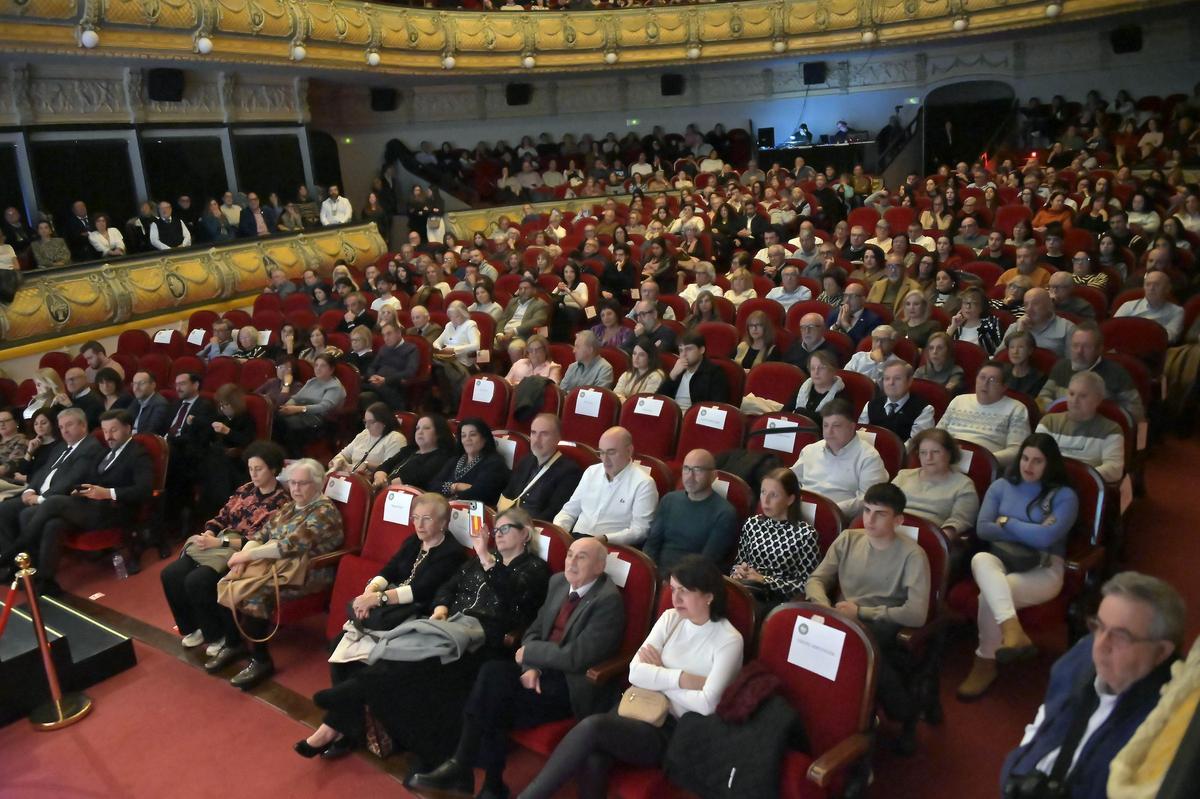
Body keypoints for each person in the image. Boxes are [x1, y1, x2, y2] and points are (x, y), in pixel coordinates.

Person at [301, 503, 549, 765]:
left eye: (506, 528)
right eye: (496, 528)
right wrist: (441, 607)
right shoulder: (480, 560)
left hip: (486, 636)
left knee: (412, 667)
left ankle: (345, 708)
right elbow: (447, 587)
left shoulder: (534, 569)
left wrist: (486, 557)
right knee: (388, 652)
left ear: (525, 534)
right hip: (449, 625)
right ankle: (350, 713)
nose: (497, 533)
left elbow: (511, 598)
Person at [405, 537, 624, 799]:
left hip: (569, 685)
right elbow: (534, 630)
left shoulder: (607, 601)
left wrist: (532, 655)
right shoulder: (558, 583)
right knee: (491, 675)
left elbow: (576, 657)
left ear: (600, 567)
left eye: (581, 557)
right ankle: (483, 780)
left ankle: (475, 775)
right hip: (538, 672)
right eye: (569, 555)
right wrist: (532, 666)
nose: (571, 562)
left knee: (494, 696)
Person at [518, 555, 743, 799]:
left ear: (709, 595)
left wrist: (658, 674)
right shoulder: (670, 618)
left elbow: (708, 704)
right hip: (637, 705)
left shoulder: (728, 640)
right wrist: (681, 679)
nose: (675, 598)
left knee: (593, 727)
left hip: (673, 728)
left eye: (685, 591)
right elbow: (636, 672)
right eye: (674, 589)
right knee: (595, 755)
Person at [999, 572, 1184, 799]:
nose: (1101, 645)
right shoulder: (1082, 654)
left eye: (1120, 636)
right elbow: (1045, 715)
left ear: (1161, 651)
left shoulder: (1167, 722)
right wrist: (1023, 759)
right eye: (1099, 626)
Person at [806, 482, 931, 754]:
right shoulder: (849, 539)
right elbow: (816, 579)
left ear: (898, 520)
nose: (870, 519)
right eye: (867, 510)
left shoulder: (913, 555)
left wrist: (861, 612)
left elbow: (917, 613)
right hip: (840, 614)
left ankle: (878, 716)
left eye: (880, 514)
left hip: (883, 621)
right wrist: (824, 605)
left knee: (853, 648)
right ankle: (823, 711)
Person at [957, 434, 1079, 700]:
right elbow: (983, 529)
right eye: (1025, 458)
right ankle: (1012, 631)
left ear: (1050, 464)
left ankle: (985, 661)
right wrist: (1032, 529)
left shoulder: (1064, 495)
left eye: (1037, 461)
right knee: (980, 559)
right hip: (1002, 559)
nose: (1029, 466)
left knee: (989, 594)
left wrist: (1006, 521)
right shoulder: (1001, 486)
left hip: (1044, 568)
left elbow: (1047, 539)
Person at [204, 459, 343, 689]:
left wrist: (245, 557)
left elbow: (288, 545)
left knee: (255, 594)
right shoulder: (290, 507)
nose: (296, 489)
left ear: (319, 484)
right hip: (276, 566)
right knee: (227, 580)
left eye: (303, 484)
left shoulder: (324, 511)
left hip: (310, 572)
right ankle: (234, 643)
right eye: (293, 483)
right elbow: (262, 535)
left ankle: (261, 660)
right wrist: (242, 560)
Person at [162, 442, 290, 655]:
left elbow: (261, 539)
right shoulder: (245, 489)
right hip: (219, 542)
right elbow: (222, 516)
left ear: (274, 469)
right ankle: (194, 627)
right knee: (171, 574)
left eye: (259, 469)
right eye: (251, 468)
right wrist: (211, 532)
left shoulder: (282, 501)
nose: (254, 474)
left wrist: (220, 543)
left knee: (198, 580)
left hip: (242, 551)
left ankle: (220, 634)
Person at [553, 426, 657, 546]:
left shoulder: (644, 483)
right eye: (601, 452)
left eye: (611, 452)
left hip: (609, 545)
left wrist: (605, 539)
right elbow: (569, 511)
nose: (605, 459)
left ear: (629, 451)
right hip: (576, 540)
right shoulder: (591, 472)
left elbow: (640, 530)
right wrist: (560, 532)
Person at [792, 400, 889, 519]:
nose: (829, 432)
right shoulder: (810, 450)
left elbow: (869, 500)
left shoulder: (869, 458)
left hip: (837, 520)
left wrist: (828, 511)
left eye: (836, 426)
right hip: (799, 515)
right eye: (825, 425)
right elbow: (791, 481)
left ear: (852, 427)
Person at [644, 449, 739, 571]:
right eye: (686, 469)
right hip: (658, 573)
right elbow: (651, 545)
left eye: (698, 470)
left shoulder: (725, 513)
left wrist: (671, 582)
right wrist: (652, 574)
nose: (690, 476)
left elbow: (706, 562)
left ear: (713, 476)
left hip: (690, 580)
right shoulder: (669, 500)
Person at [1037, 324, 1144, 422]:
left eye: (1087, 346)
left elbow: (1136, 414)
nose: (1079, 351)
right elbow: (1042, 398)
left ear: (1099, 349)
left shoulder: (1117, 373)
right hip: (1061, 428)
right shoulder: (1061, 367)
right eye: (1075, 345)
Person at [938, 360, 1031, 469]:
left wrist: (981, 460)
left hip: (983, 468)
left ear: (1004, 386)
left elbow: (1017, 450)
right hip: (945, 460)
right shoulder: (958, 400)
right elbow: (937, 433)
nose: (985, 383)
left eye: (992, 380)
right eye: (982, 377)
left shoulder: (1017, 409)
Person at [1037, 371, 1125, 484]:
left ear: (1098, 399)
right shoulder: (1048, 422)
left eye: (1083, 396)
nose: (1074, 401)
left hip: (1086, 487)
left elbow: (1114, 470)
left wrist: (1076, 476)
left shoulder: (1111, 429)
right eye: (1071, 394)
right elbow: (1035, 457)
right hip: (1049, 483)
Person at [891, 429, 979, 541]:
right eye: (923, 452)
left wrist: (936, 542)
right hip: (892, 531)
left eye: (936, 452)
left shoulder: (964, 485)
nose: (928, 458)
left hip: (929, 539)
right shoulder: (904, 475)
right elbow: (883, 505)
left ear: (949, 453)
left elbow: (959, 522)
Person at [498, 414, 582, 521]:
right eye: (533, 433)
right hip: (511, 521)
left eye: (544, 434)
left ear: (558, 438)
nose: (537, 440)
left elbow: (554, 512)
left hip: (535, 527)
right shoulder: (526, 461)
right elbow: (508, 494)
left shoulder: (569, 471)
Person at [199, 384, 258, 516]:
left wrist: (227, 431)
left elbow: (247, 441)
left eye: (226, 405)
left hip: (236, 460)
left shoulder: (246, 418)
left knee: (218, 469)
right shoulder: (220, 417)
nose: (223, 408)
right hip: (217, 456)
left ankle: (221, 509)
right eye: (221, 405)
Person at [274, 353, 347, 456]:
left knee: (283, 423)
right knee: (275, 416)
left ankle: (293, 456)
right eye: (316, 365)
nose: (318, 369)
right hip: (300, 414)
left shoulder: (335, 387)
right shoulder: (312, 382)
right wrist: (287, 406)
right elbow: (296, 398)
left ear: (331, 369)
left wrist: (297, 409)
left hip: (318, 421)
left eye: (323, 366)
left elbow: (323, 407)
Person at [434, 418, 510, 506]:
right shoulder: (455, 460)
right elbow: (433, 485)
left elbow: (478, 493)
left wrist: (449, 500)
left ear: (484, 438)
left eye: (473, 435)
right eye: (463, 436)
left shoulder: (494, 463)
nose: (467, 439)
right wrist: (456, 486)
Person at [373, 413, 456, 492]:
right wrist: (379, 477)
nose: (420, 432)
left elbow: (413, 478)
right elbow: (385, 465)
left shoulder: (441, 457)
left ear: (439, 433)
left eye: (426, 428)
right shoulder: (410, 450)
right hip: (385, 488)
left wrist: (383, 483)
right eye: (418, 428)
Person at [859, 361, 935, 442]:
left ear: (909, 381)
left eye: (897, 378)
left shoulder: (924, 410)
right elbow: (860, 438)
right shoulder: (871, 405)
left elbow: (914, 445)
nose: (891, 383)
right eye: (887, 378)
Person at [328, 401, 407, 475]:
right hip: (351, 477)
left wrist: (367, 464)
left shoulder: (395, 438)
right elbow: (343, 455)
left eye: (371, 422)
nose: (367, 426)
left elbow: (390, 468)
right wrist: (338, 461)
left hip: (370, 482)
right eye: (365, 422)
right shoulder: (364, 433)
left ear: (384, 422)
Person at [658, 331, 729, 412]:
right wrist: (672, 375)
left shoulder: (714, 373)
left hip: (695, 419)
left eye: (688, 349)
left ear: (701, 350)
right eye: (681, 350)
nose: (683, 354)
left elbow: (717, 407)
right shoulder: (678, 370)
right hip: (672, 415)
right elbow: (659, 400)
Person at [1002, 288, 1077, 359]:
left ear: (1049, 305)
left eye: (1035, 304)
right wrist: (1020, 333)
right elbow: (999, 357)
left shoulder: (1067, 328)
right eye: (1026, 304)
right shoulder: (1016, 327)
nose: (1029, 309)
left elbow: (1072, 364)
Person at [1114, 270, 1184, 344]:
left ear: (1167, 288)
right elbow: (1113, 328)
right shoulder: (1128, 306)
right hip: (1125, 345)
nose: (1151, 288)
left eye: (1157, 285)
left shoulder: (1177, 311)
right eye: (1148, 284)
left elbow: (1170, 338)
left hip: (1155, 349)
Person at [784, 349, 846, 417]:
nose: (816, 372)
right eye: (813, 368)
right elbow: (785, 412)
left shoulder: (840, 396)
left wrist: (800, 412)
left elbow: (826, 420)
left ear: (833, 370)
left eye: (822, 368)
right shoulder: (804, 388)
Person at [497, 277, 551, 349]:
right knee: (483, 348)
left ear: (534, 290)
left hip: (522, 336)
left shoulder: (540, 304)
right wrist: (499, 334)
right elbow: (503, 319)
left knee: (514, 348)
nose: (523, 291)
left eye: (526, 288)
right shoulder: (513, 301)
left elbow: (537, 321)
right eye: (520, 289)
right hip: (504, 335)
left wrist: (515, 331)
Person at [948, 286, 1003, 355]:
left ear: (982, 307)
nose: (968, 307)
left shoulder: (991, 323)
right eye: (965, 303)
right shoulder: (956, 324)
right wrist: (953, 327)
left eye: (973, 303)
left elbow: (998, 351)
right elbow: (943, 348)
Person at [1004, 329, 1049, 398]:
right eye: (1012, 347)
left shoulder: (1039, 378)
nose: (1015, 352)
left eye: (1020, 347)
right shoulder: (1001, 372)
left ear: (1030, 350)